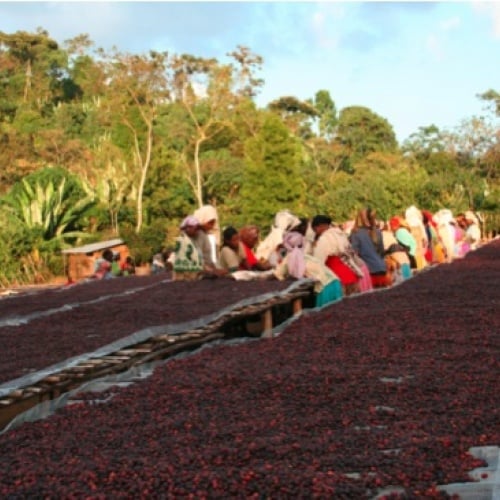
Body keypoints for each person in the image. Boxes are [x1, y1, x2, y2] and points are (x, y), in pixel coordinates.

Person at [274, 231, 343, 307]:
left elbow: (278, 274)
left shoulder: (290, 257)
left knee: (325, 315)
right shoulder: (305, 255)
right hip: (335, 282)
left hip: (325, 287)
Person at [310, 215, 362, 296]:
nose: (315, 233)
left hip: (337, 278)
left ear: (319, 227)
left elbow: (318, 261)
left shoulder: (324, 239)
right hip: (351, 275)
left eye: (315, 230)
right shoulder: (341, 235)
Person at [349, 208, 388, 288]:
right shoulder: (378, 232)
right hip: (381, 268)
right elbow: (382, 252)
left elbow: (354, 255)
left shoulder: (356, 234)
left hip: (369, 270)